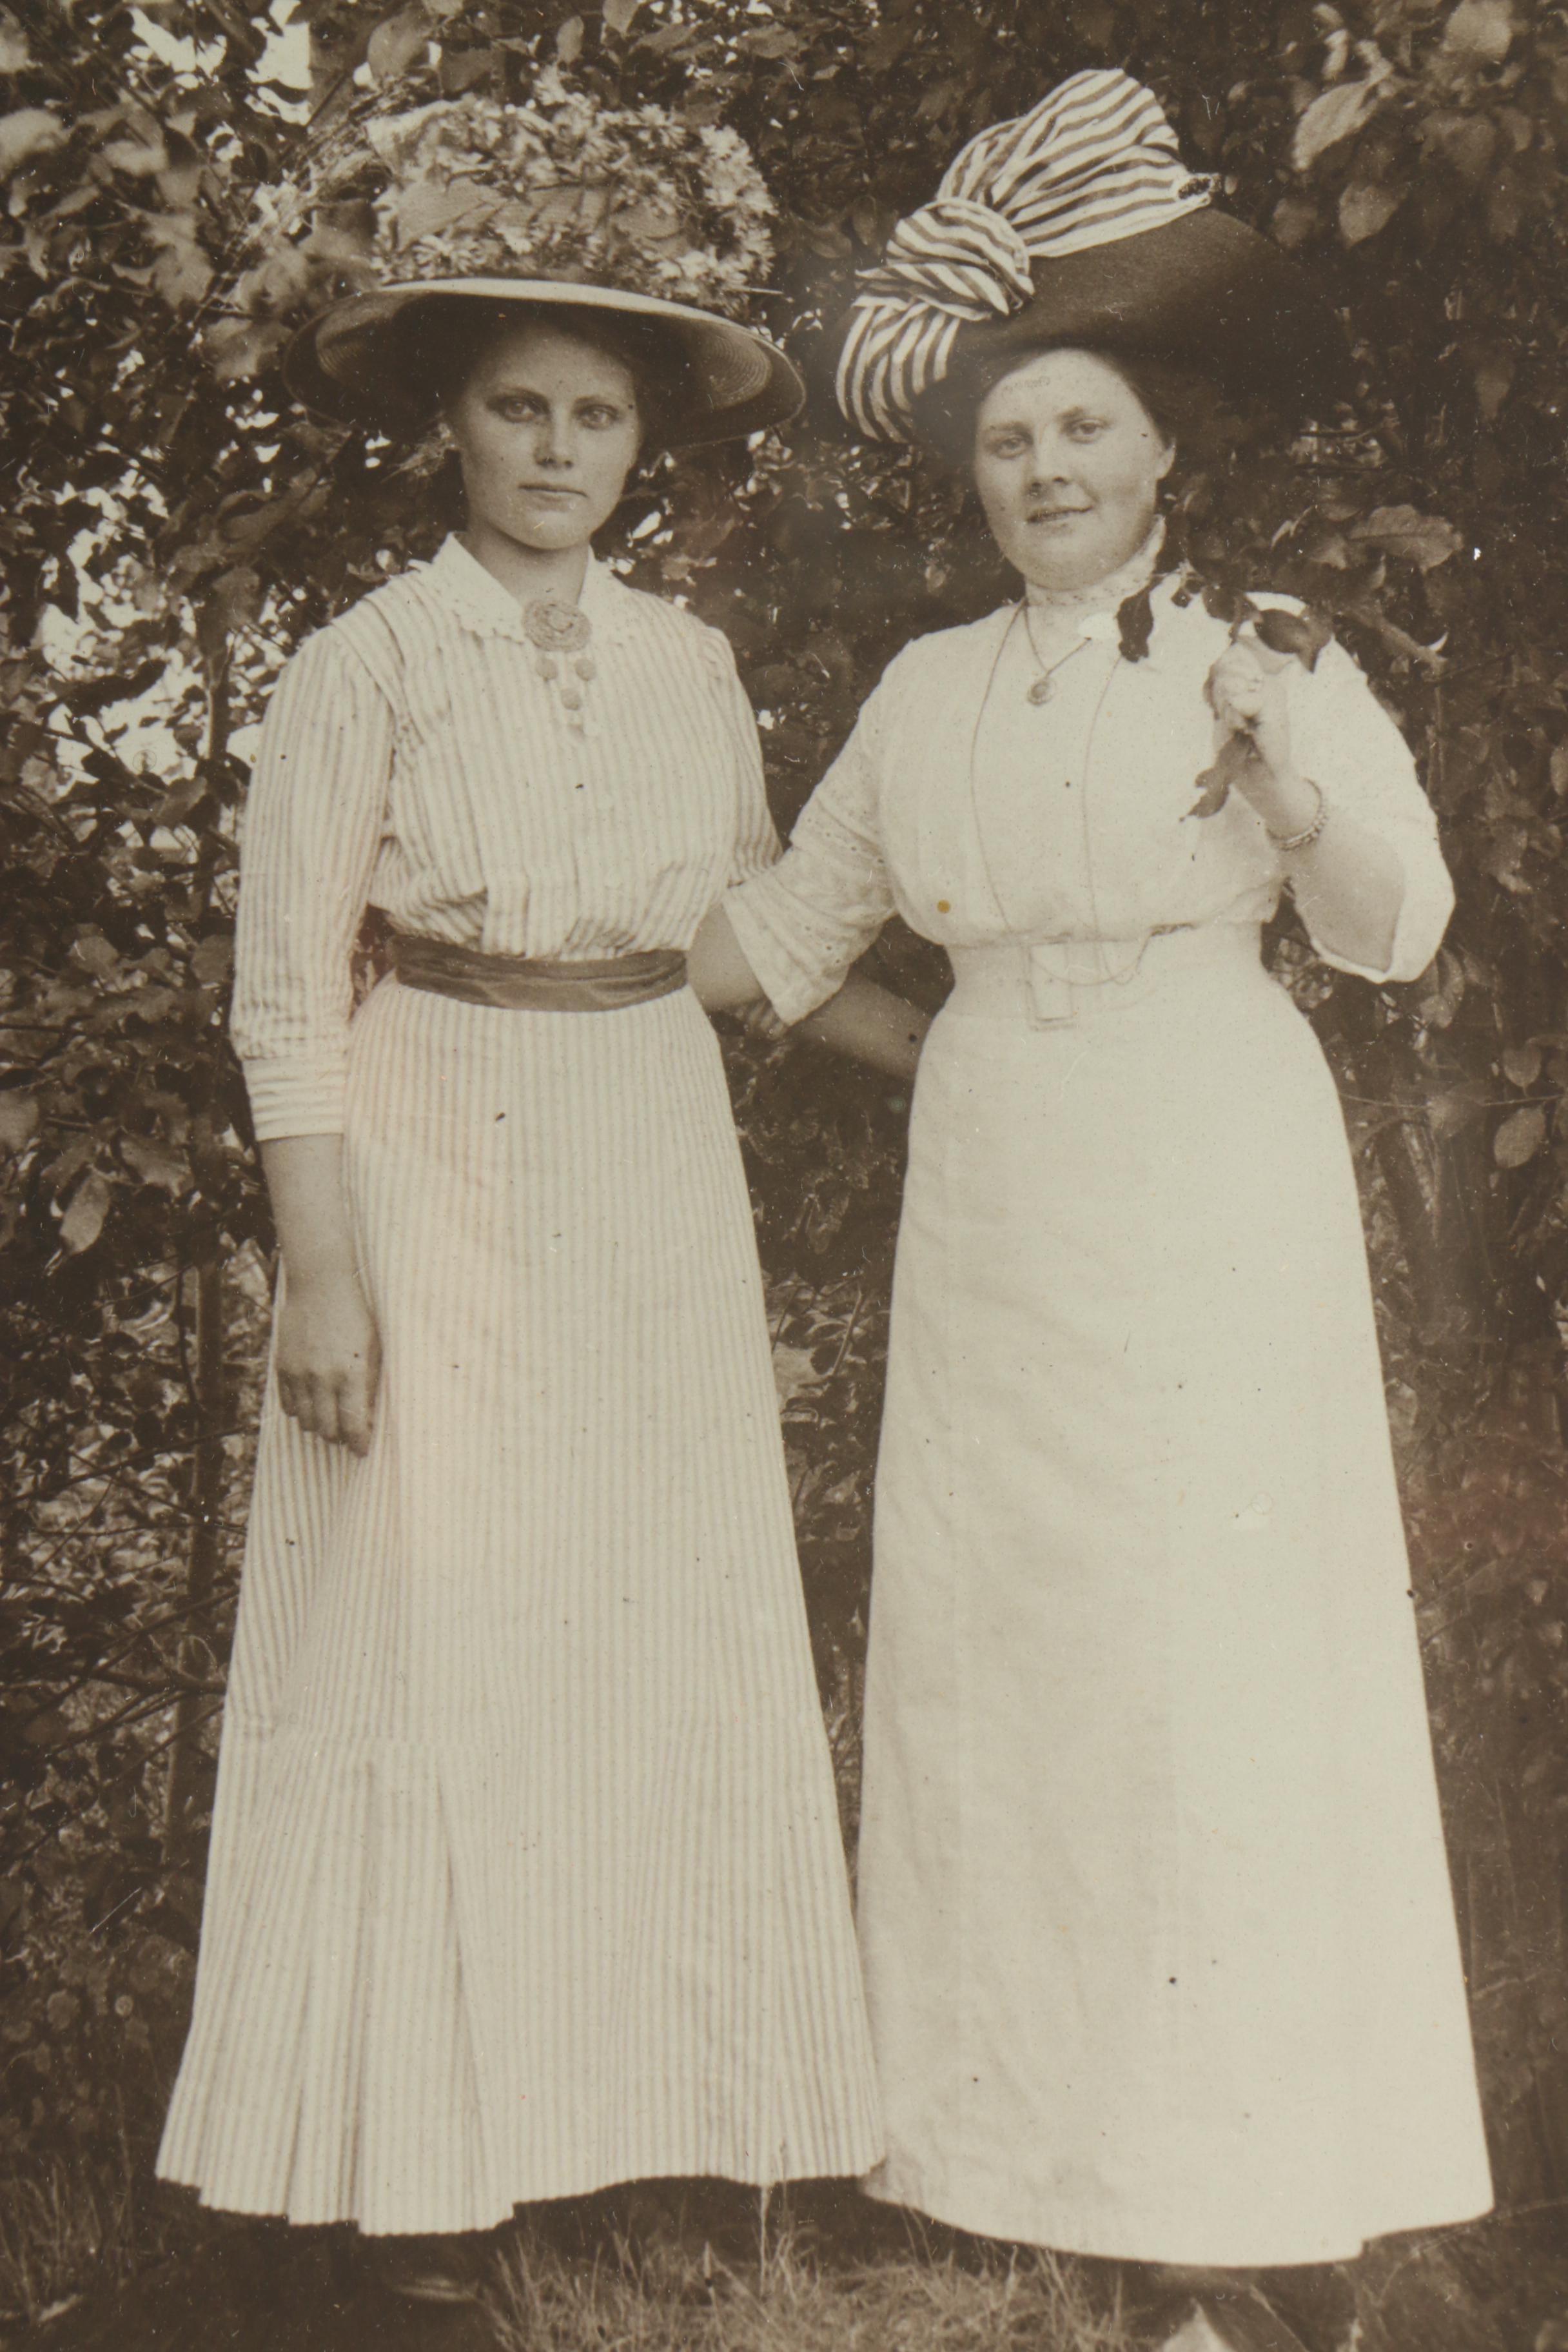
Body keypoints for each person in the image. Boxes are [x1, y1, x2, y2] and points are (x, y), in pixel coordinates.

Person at [692, 68, 1493, 2352]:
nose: (1047, 475)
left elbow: (1396, 934)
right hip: (1002, 1206)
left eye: (1086, 435)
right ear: (976, 474)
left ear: (1162, 449)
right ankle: (1034, 2170)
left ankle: (1253, 2231)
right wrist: (497, 944)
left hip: (1208, 1169)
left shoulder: (1272, 646)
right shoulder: (927, 691)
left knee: (1214, 1673)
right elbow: (774, 945)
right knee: (1016, 1672)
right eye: (1011, 444)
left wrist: (1289, 761)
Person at [156, 88, 916, 2291]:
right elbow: (286, 994)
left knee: (650, 1627)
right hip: (436, 1137)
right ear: (456, 428)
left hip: (649, 1144)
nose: (561, 445)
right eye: (520, 406)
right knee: (447, 1622)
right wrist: (324, 1266)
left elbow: (750, 937)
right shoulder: (363, 667)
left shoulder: (691, 668)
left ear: (639, 444)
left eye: (597, 411)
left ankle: (655, 2137)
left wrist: (981, 1063)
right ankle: (419, 2162)